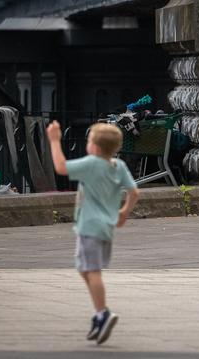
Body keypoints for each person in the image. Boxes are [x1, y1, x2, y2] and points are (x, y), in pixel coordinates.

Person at [46, 121, 139, 345]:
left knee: (92, 271)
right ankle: (100, 313)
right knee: (84, 268)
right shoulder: (119, 166)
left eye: (89, 141)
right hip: (106, 227)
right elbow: (134, 192)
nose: (87, 145)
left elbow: (60, 166)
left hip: (89, 226)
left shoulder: (91, 164)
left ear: (95, 147)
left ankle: (102, 313)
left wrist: (54, 140)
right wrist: (124, 212)